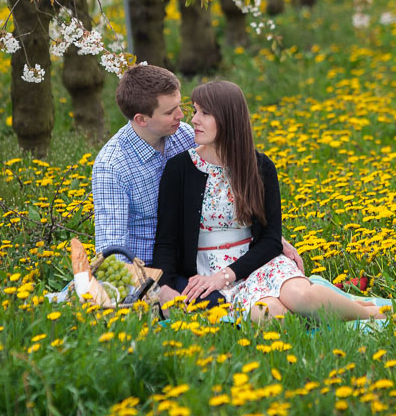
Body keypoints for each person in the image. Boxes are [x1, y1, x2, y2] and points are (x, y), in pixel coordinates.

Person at [153, 80, 384, 323]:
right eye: (195, 111)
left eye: (205, 113)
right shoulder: (179, 169)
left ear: (228, 118)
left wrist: (227, 275)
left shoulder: (260, 166)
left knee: (301, 295)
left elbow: (271, 240)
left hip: (257, 262)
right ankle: (329, 310)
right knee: (267, 314)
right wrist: (165, 285)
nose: (194, 120)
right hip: (208, 273)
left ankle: (372, 313)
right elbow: (166, 241)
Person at [92, 65, 303, 306]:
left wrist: (272, 238)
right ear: (141, 119)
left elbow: (221, 184)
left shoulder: (181, 135)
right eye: (171, 111)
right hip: (154, 271)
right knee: (234, 311)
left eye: (182, 107)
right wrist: (159, 289)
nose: (183, 117)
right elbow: (113, 255)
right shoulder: (112, 167)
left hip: (198, 259)